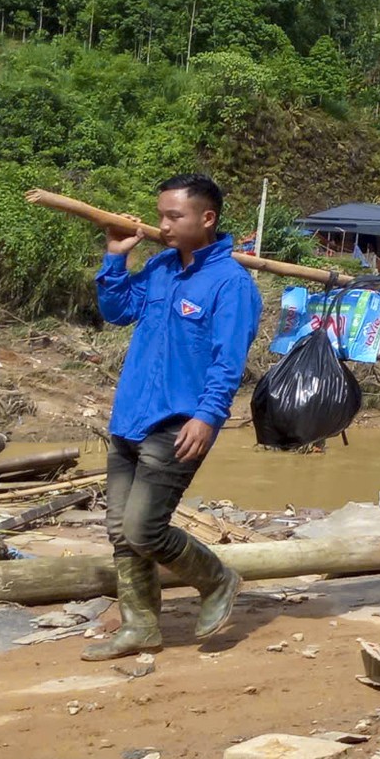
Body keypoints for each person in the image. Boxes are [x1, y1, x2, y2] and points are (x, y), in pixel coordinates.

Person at [83, 174, 262, 660]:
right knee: (121, 532)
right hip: (130, 418)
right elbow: (118, 311)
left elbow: (229, 362)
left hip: (179, 424)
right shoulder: (162, 267)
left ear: (207, 219)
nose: (162, 224)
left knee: (144, 529)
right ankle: (140, 627)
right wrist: (117, 255)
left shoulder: (231, 284)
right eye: (160, 214)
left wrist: (208, 417)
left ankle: (218, 579)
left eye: (173, 216)